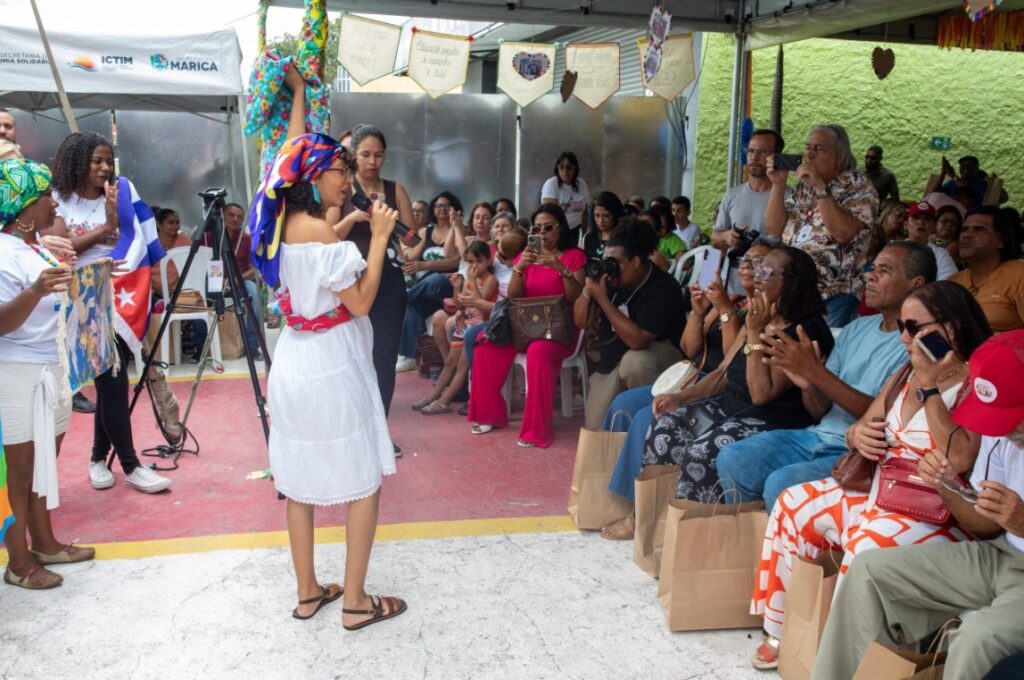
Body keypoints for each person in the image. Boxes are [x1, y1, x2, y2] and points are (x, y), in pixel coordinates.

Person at [750, 281, 993, 670]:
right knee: (792, 503)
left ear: (952, 326)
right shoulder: (905, 373)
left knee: (867, 546)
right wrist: (856, 435)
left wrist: (930, 386)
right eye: (902, 327)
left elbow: (960, 456)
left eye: (914, 328)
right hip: (882, 494)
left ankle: (843, 661)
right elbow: (864, 423)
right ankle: (781, 629)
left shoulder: (979, 381)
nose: (904, 338)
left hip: (939, 515)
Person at [251, 131, 406, 628]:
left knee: (298, 482)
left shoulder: (282, 225)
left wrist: (350, 224)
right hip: (332, 363)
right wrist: (378, 239)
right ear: (314, 176)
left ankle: (308, 592)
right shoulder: (319, 231)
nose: (348, 180)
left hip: (295, 358)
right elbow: (359, 301)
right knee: (364, 480)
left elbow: (314, 259)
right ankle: (356, 602)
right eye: (341, 170)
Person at [812, 330, 1024, 680]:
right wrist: (946, 485)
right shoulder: (1002, 435)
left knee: (976, 639)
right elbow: (985, 527)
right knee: (868, 570)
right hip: (1001, 554)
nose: (1003, 430)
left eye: (1010, 417)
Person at [717, 241, 936, 511]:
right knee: (734, 458)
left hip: (861, 453)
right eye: (872, 268)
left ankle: (783, 536)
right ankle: (753, 532)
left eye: (884, 270)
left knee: (782, 484)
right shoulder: (856, 328)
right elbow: (819, 410)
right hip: (817, 435)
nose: (870, 276)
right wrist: (809, 384)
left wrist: (814, 372)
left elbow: (882, 417)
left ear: (916, 283)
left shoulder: (919, 344)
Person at [599, 240, 776, 539]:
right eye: (745, 260)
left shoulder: (755, 314)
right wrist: (698, 312)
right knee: (624, 404)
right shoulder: (735, 301)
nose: (748, 267)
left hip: (719, 386)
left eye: (759, 262)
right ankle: (612, 494)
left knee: (647, 417)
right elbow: (689, 348)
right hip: (694, 375)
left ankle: (640, 510)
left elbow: (732, 364)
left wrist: (724, 309)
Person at [642, 246, 836, 504]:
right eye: (758, 268)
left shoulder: (804, 330)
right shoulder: (760, 315)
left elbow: (761, 395)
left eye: (766, 271)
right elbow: (723, 372)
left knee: (703, 450)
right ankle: (658, 517)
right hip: (730, 409)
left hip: (771, 422)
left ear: (792, 282)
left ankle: (699, 523)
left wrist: (755, 332)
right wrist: (680, 397)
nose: (757, 275)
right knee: (666, 426)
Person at [45, 131, 172, 494]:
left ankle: (106, 461)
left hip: (117, 298)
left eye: (108, 161)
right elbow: (61, 250)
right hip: (76, 303)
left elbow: (137, 242)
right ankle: (120, 464)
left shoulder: (120, 194)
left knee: (111, 383)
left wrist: (114, 232)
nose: (104, 168)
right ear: (77, 162)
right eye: (96, 161)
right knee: (109, 384)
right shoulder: (58, 200)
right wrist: (107, 229)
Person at [0, 158, 95, 589]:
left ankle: (44, 543)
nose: (53, 203)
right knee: (19, 472)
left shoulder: (35, 246)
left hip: (51, 366)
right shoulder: (3, 252)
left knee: (43, 465)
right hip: (17, 371)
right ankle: (17, 562)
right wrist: (37, 289)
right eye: (44, 196)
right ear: (23, 207)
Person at [467, 205, 586, 448]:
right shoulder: (526, 256)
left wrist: (560, 269)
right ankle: (490, 415)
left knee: (538, 351)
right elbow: (514, 297)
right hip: (525, 326)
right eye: (537, 228)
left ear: (560, 228)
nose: (542, 233)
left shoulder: (573, 256)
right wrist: (519, 269)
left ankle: (536, 430)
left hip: (557, 329)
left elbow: (576, 297)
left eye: (548, 227)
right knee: (485, 342)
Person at [575, 219, 686, 430]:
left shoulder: (663, 287)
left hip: (658, 358)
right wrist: (589, 291)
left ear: (636, 261)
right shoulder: (608, 281)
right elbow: (582, 322)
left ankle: (651, 425)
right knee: (596, 430)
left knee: (635, 362)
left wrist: (604, 300)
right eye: (605, 261)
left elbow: (639, 341)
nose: (609, 268)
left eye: (615, 263)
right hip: (612, 363)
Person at [765, 124, 879, 328]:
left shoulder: (858, 185)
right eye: (808, 147)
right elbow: (774, 229)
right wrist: (778, 184)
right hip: (794, 290)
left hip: (834, 291)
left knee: (823, 346)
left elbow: (842, 233)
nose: (809, 154)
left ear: (839, 156)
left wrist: (820, 186)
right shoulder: (803, 186)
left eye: (819, 149)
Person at [337, 126, 415, 418]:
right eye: (365, 154)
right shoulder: (342, 189)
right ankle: (353, 424)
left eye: (379, 155)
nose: (372, 161)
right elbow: (327, 236)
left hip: (388, 281)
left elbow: (413, 240)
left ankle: (379, 427)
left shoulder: (396, 190)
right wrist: (353, 218)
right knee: (349, 356)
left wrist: (392, 227)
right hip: (350, 281)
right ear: (353, 154)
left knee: (383, 358)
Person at [413, 240, 498, 415]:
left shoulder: (490, 280)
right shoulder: (469, 281)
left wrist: (471, 281)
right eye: (471, 262)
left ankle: (443, 402)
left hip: (479, 328)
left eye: (479, 261)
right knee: (450, 363)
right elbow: (460, 305)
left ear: (488, 261)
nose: (474, 266)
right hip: (466, 325)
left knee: (461, 366)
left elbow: (480, 302)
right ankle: (433, 396)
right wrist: (457, 288)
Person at [395, 191, 463, 372]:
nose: (442, 208)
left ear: (454, 209)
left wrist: (425, 264)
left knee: (434, 279)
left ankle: (403, 298)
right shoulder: (426, 231)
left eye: (446, 205)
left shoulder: (459, 229)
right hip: (426, 287)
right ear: (433, 209)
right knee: (413, 307)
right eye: (438, 205)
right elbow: (412, 256)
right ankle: (410, 357)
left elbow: (454, 260)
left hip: (449, 283)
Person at [201, 202, 264, 360]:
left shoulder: (246, 239)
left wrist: (237, 279)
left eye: (239, 217)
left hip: (239, 281)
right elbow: (199, 265)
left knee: (254, 292)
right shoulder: (208, 238)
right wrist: (219, 279)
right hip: (214, 281)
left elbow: (254, 269)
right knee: (200, 295)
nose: (235, 219)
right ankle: (201, 345)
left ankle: (252, 345)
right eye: (231, 215)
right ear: (222, 215)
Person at [951, 205, 1024, 332]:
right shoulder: (953, 282)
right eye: (964, 229)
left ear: (1001, 241)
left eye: (979, 229)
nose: (967, 235)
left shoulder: (1019, 274)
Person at [711, 129, 785, 250]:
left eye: (763, 152)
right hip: (735, 262)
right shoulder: (732, 194)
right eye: (751, 151)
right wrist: (726, 236)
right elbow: (715, 238)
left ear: (777, 157)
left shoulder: (789, 196)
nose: (754, 157)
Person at [541, 151, 589, 245]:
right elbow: (550, 212)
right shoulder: (551, 184)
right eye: (561, 167)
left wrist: (584, 234)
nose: (565, 171)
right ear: (557, 168)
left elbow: (585, 212)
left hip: (575, 230)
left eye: (569, 167)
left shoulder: (581, 184)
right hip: (556, 231)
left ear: (575, 169)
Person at [905, 201, 958, 280]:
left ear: (933, 226)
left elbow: (949, 282)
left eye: (927, 219)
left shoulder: (941, 254)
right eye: (916, 218)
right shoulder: (892, 247)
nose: (921, 222)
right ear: (906, 224)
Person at [582, 191, 623, 260]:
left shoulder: (624, 239)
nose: (600, 220)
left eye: (606, 216)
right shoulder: (589, 238)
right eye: (597, 215)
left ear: (615, 215)